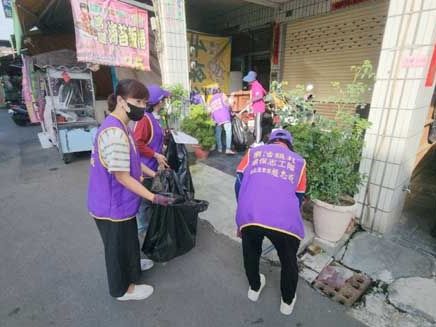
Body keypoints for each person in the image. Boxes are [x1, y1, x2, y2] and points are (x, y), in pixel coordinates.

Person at [87, 79, 174, 301]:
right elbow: (122, 176)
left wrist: (153, 174)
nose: (142, 107)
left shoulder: (122, 126)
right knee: (116, 248)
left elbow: (132, 160)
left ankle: (133, 265)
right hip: (111, 205)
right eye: (137, 101)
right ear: (121, 101)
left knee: (128, 239)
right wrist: (154, 197)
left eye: (145, 102)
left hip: (121, 202)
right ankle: (122, 289)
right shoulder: (114, 133)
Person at [234, 129, 307, 315]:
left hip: (251, 215)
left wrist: (242, 215)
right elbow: (299, 197)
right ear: (289, 144)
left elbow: (239, 182)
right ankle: (287, 302)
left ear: (270, 141)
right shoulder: (299, 162)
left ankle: (254, 288)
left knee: (251, 252)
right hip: (283, 220)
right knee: (289, 260)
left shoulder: (253, 153)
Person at [133, 84, 170, 241]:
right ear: (159, 102)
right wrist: (155, 154)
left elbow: (155, 139)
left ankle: (153, 229)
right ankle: (144, 233)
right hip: (146, 169)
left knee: (155, 198)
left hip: (157, 169)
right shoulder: (144, 120)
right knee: (144, 204)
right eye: (164, 100)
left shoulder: (156, 118)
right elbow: (137, 142)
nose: (165, 102)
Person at [207, 86, 235, 155]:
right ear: (218, 90)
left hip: (216, 118)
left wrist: (212, 119)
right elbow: (227, 104)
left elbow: (210, 111)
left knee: (218, 133)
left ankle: (219, 148)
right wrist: (231, 109)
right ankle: (228, 149)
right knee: (228, 132)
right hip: (224, 116)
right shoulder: (222, 95)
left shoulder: (211, 100)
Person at [243, 71, 267, 145]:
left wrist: (250, 101)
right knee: (256, 125)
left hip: (259, 108)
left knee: (258, 125)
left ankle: (258, 142)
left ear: (252, 79)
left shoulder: (257, 85)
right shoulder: (253, 85)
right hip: (256, 108)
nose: (248, 82)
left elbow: (260, 96)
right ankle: (257, 140)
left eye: (248, 80)